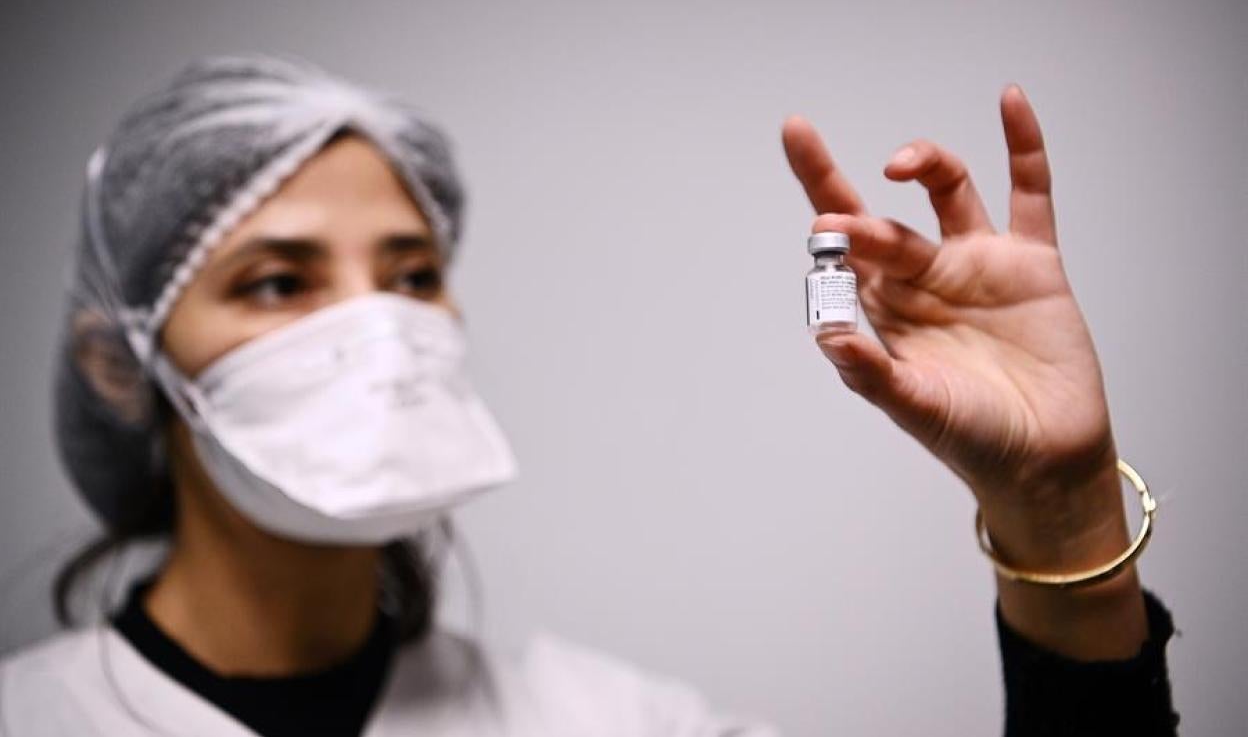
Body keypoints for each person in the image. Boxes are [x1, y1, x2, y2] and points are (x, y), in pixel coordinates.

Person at [0, 53, 1178, 736]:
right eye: (277, 281)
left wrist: (1059, 507)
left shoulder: (601, 717)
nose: (378, 327)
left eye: (412, 274)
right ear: (122, 361)